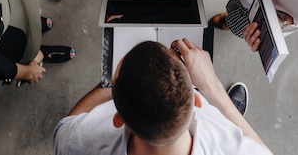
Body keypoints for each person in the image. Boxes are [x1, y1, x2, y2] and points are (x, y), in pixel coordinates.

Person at [53, 39, 272, 155]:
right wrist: (212, 88)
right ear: (197, 101)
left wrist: (115, 84)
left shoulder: (80, 143)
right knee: (227, 121)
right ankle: (225, 112)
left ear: (118, 118)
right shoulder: (235, 149)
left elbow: (66, 125)